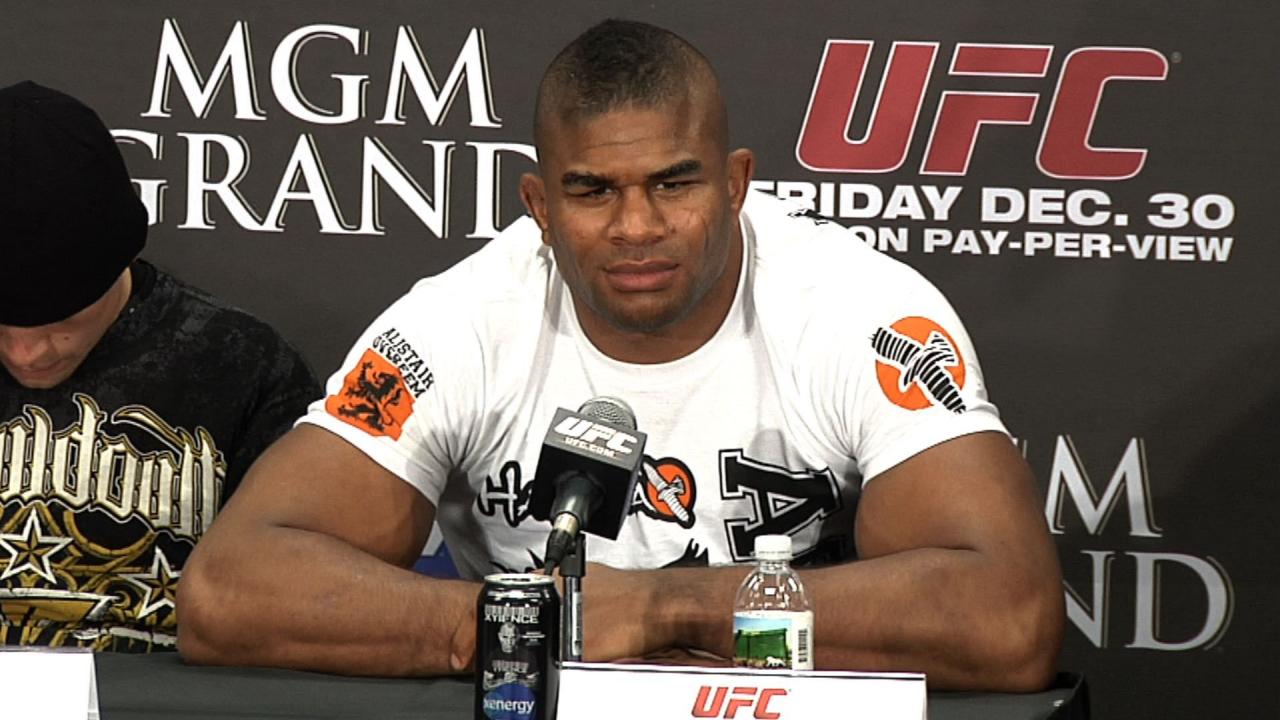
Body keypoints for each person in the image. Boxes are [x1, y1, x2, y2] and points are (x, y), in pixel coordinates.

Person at [178, 20, 1064, 690]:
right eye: (593, 191)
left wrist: (660, 608)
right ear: (539, 206)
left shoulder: (855, 310)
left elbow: (1010, 617)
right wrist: (518, 623)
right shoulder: (462, 323)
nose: (637, 227)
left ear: (736, 183)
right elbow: (227, 594)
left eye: (674, 183)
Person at [0, 81, 321, 651]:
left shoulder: (242, 365)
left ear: (120, 258)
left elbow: (307, 595)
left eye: (62, 319)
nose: (27, 352)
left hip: (160, 689)